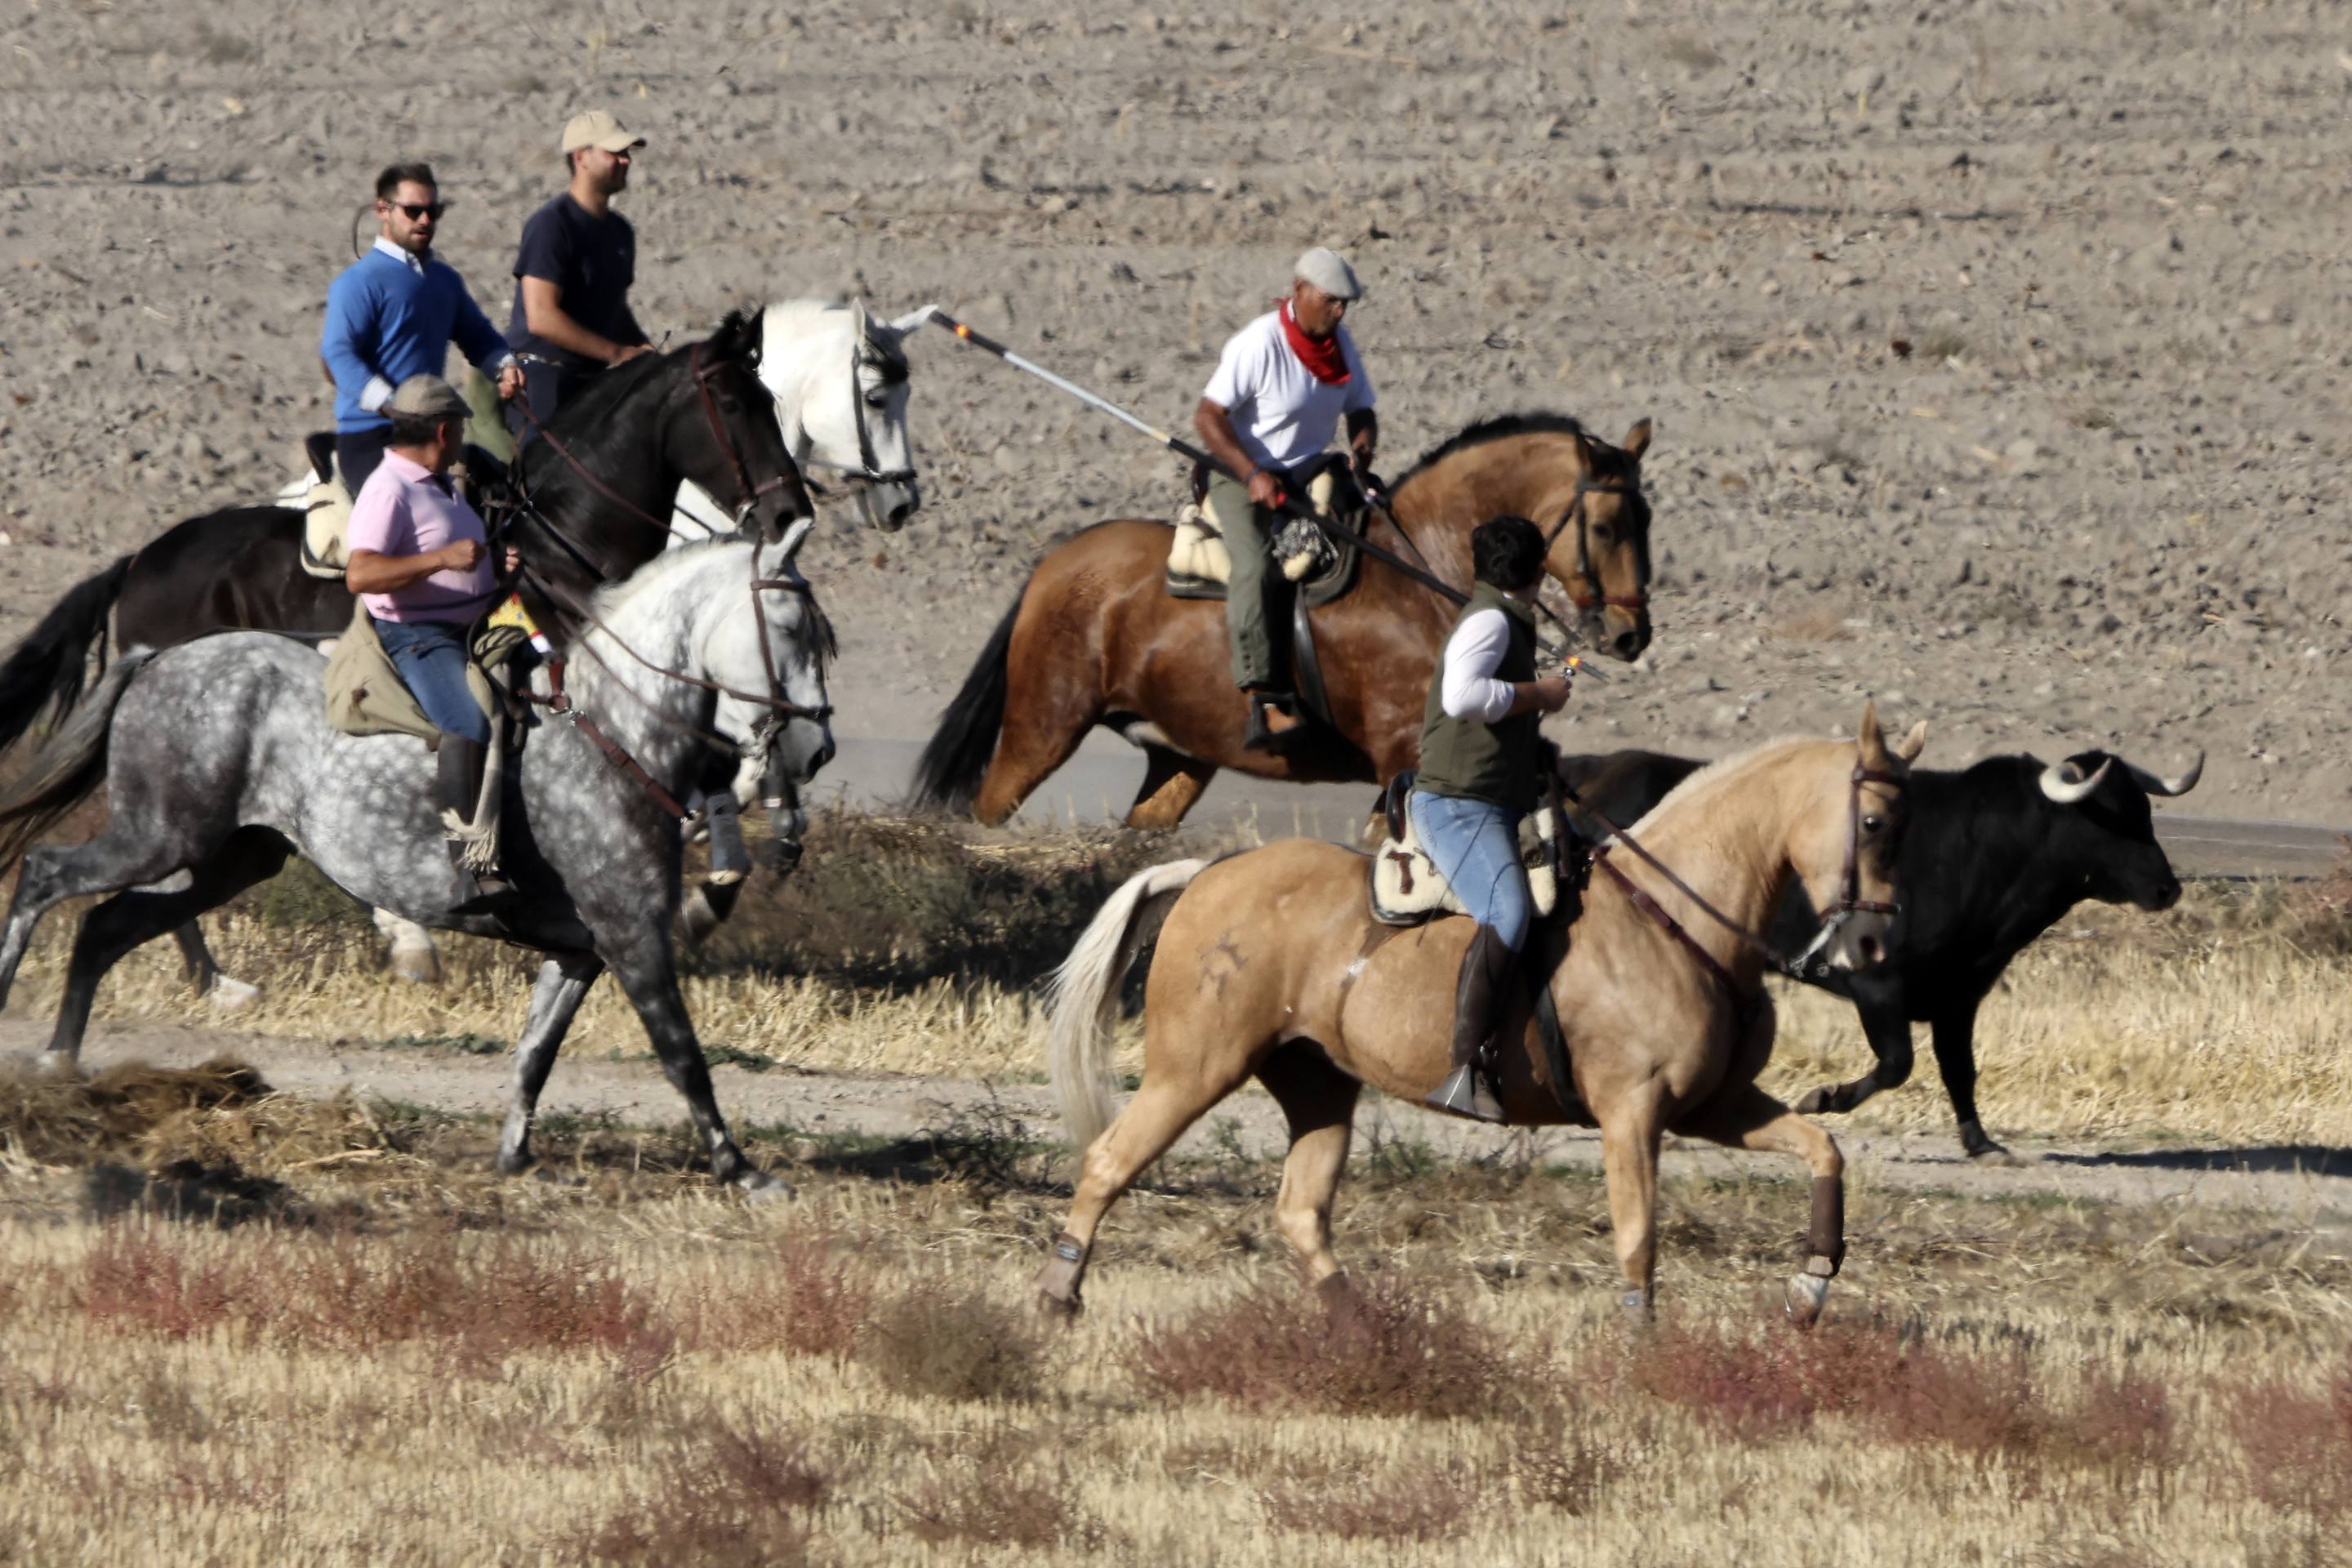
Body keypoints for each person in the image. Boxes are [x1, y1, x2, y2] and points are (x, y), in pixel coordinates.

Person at [1410, 514, 1574, 1123]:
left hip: (1486, 797)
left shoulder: (1499, 617)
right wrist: (1542, 696)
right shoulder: (1490, 621)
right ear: (1538, 571)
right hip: (1460, 803)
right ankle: (1462, 1069)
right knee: (1507, 911)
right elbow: (1461, 697)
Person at [345, 376, 521, 910]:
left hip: (474, 623)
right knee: (465, 722)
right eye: (462, 429)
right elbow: (360, 573)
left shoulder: (436, 481)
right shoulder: (389, 488)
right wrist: (441, 560)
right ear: (444, 431)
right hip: (420, 635)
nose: (465, 437)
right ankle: (465, 870)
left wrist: (494, 564)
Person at [1193, 247, 1379, 749]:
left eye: (1346, 304)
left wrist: (1363, 447)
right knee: (1256, 566)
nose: (1340, 312)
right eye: (1331, 301)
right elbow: (1208, 417)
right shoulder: (1259, 343)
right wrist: (1251, 472)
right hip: (1240, 474)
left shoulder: (1340, 345)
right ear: (1300, 291)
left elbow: (1361, 409)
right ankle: (1262, 697)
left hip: (1306, 472)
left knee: (1369, 539)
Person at [320, 163, 523, 494]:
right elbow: (339, 354)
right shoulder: (358, 283)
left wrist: (505, 366)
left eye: (433, 211)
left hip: (433, 436)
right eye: (414, 211)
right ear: (382, 210)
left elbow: (478, 337)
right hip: (372, 436)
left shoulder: (445, 280)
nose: (425, 221)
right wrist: (392, 404)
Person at [505, 110, 653, 443]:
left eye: (627, 153)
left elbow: (614, 310)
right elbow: (541, 317)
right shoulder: (551, 226)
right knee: (546, 474)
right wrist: (617, 355)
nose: (626, 161)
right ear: (581, 157)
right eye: (614, 152)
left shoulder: (620, 232)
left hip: (595, 379)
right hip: (543, 376)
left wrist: (646, 350)